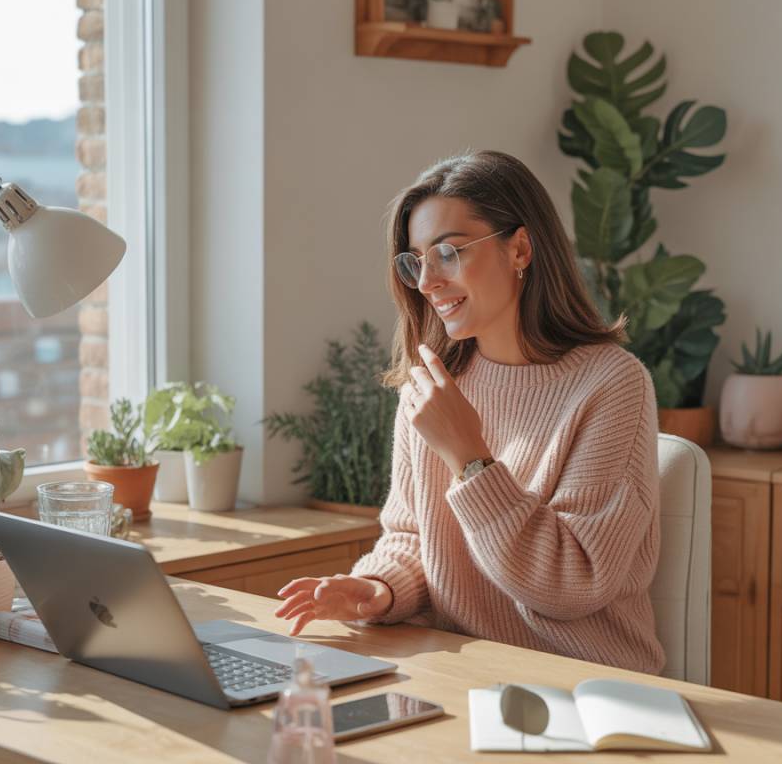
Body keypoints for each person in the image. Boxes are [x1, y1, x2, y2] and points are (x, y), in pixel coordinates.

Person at [274, 150, 665, 674]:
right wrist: (377, 589)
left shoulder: (612, 384)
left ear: (520, 248)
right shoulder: (433, 386)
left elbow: (574, 583)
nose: (427, 281)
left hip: (582, 686)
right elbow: (415, 538)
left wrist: (469, 457)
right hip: (460, 673)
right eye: (416, 260)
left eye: (450, 253)